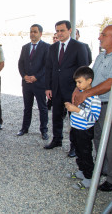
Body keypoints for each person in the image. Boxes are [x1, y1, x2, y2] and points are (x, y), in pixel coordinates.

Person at [73, 25, 112, 192]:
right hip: (97, 104)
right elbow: (90, 76)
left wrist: (85, 94)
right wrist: (78, 89)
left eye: (104, 35)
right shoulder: (102, 56)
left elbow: (111, 82)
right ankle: (104, 169)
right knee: (99, 138)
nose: (99, 37)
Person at [44, 20, 89, 157]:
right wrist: (48, 87)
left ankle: (74, 146)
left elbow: (83, 69)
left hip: (72, 90)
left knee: (74, 118)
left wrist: (79, 89)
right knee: (56, 116)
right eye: (57, 31)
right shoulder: (53, 48)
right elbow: (49, 68)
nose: (59, 33)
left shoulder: (79, 47)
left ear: (70, 30)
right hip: (56, 89)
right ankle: (57, 140)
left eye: (62, 30)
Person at [65, 66, 101, 190]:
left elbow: (93, 117)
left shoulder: (94, 98)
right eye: (76, 82)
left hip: (84, 131)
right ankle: (81, 171)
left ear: (89, 80)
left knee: (85, 154)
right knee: (79, 152)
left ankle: (89, 178)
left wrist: (77, 110)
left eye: (79, 82)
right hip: (75, 128)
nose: (77, 85)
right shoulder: (79, 93)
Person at [17, 24, 49, 140]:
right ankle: (24, 128)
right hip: (27, 83)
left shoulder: (46, 47)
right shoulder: (25, 47)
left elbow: (47, 65)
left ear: (40, 33)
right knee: (27, 107)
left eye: (35, 32)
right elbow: (20, 64)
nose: (32, 34)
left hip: (39, 83)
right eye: (31, 31)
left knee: (42, 107)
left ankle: (44, 130)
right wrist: (24, 76)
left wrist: (36, 76)